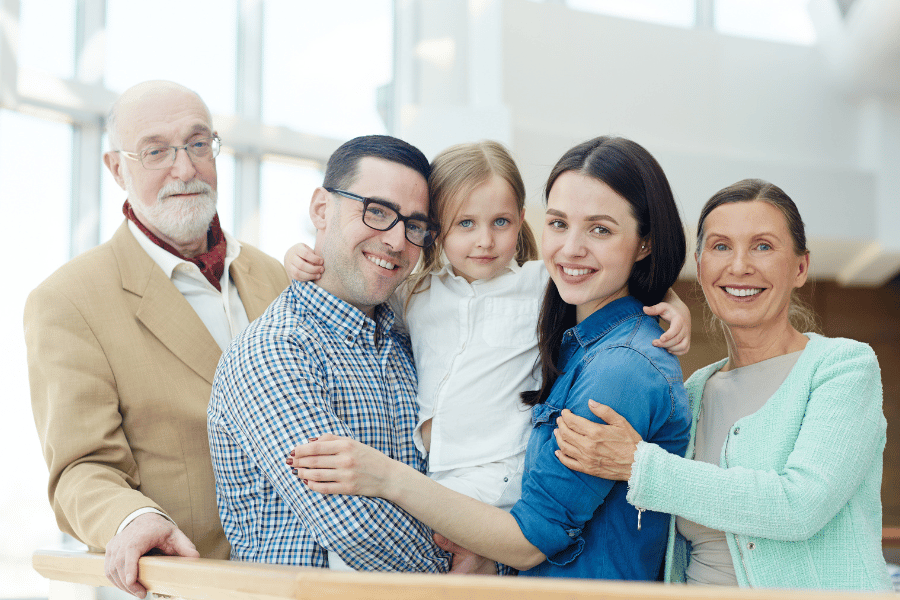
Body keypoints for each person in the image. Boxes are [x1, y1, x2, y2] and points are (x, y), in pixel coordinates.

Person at [289, 136, 693, 580]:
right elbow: (365, 284)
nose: (484, 240)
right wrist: (300, 257)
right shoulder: (421, 291)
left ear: (520, 220)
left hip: (496, 474)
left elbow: (621, 282)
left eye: (500, 222)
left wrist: (672, 303)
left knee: (397, 561)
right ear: (437, 229)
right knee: (374, 561)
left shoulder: (544, 288)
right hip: (437, 470)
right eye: (464, 224)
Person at [553, 179, 893, 591]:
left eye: (763, 246)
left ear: (801, 268)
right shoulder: (692, 392)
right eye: (720, 246)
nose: (739, 266)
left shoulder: (842, 368)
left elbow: (799, 505)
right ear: (700, 265)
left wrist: (639, 464)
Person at [24, 80, 290, 598]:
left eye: (197, 143)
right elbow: (82, 468)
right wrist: (132, 517)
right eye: (155, 151)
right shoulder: (69, 300)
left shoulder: (277, 277)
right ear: (116, 169)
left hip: (309, 582)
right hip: (190, 585)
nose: (185, 168)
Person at [207, 135, 452, 572]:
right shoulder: (275, 352)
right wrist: (481, 563)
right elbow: (353, 525)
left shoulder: (409, 342)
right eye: (377, 211)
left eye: (415, 225)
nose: (397, 241)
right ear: (321, 209)